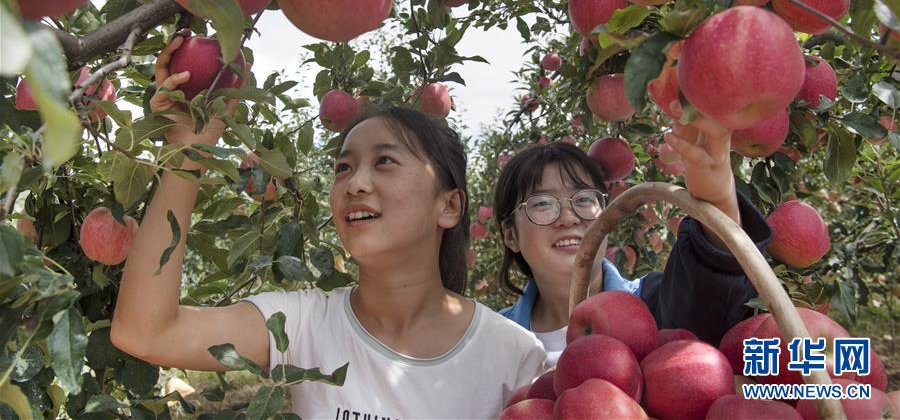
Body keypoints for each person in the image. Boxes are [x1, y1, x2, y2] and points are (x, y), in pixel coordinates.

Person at [111, 36, 545, 419]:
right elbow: (146, 330)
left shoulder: (513, 358)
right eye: (343, 167)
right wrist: (188, 150)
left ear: (449, 205)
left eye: (385, 161)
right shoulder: (302, 324)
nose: (354, 183)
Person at [495, 103, 773, 367]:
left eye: (583, 200)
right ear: (510, 235)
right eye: (543, 204)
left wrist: (717, 199)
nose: (568, 218)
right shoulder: (492, 343)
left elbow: (705, 293)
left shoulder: (650, 304)